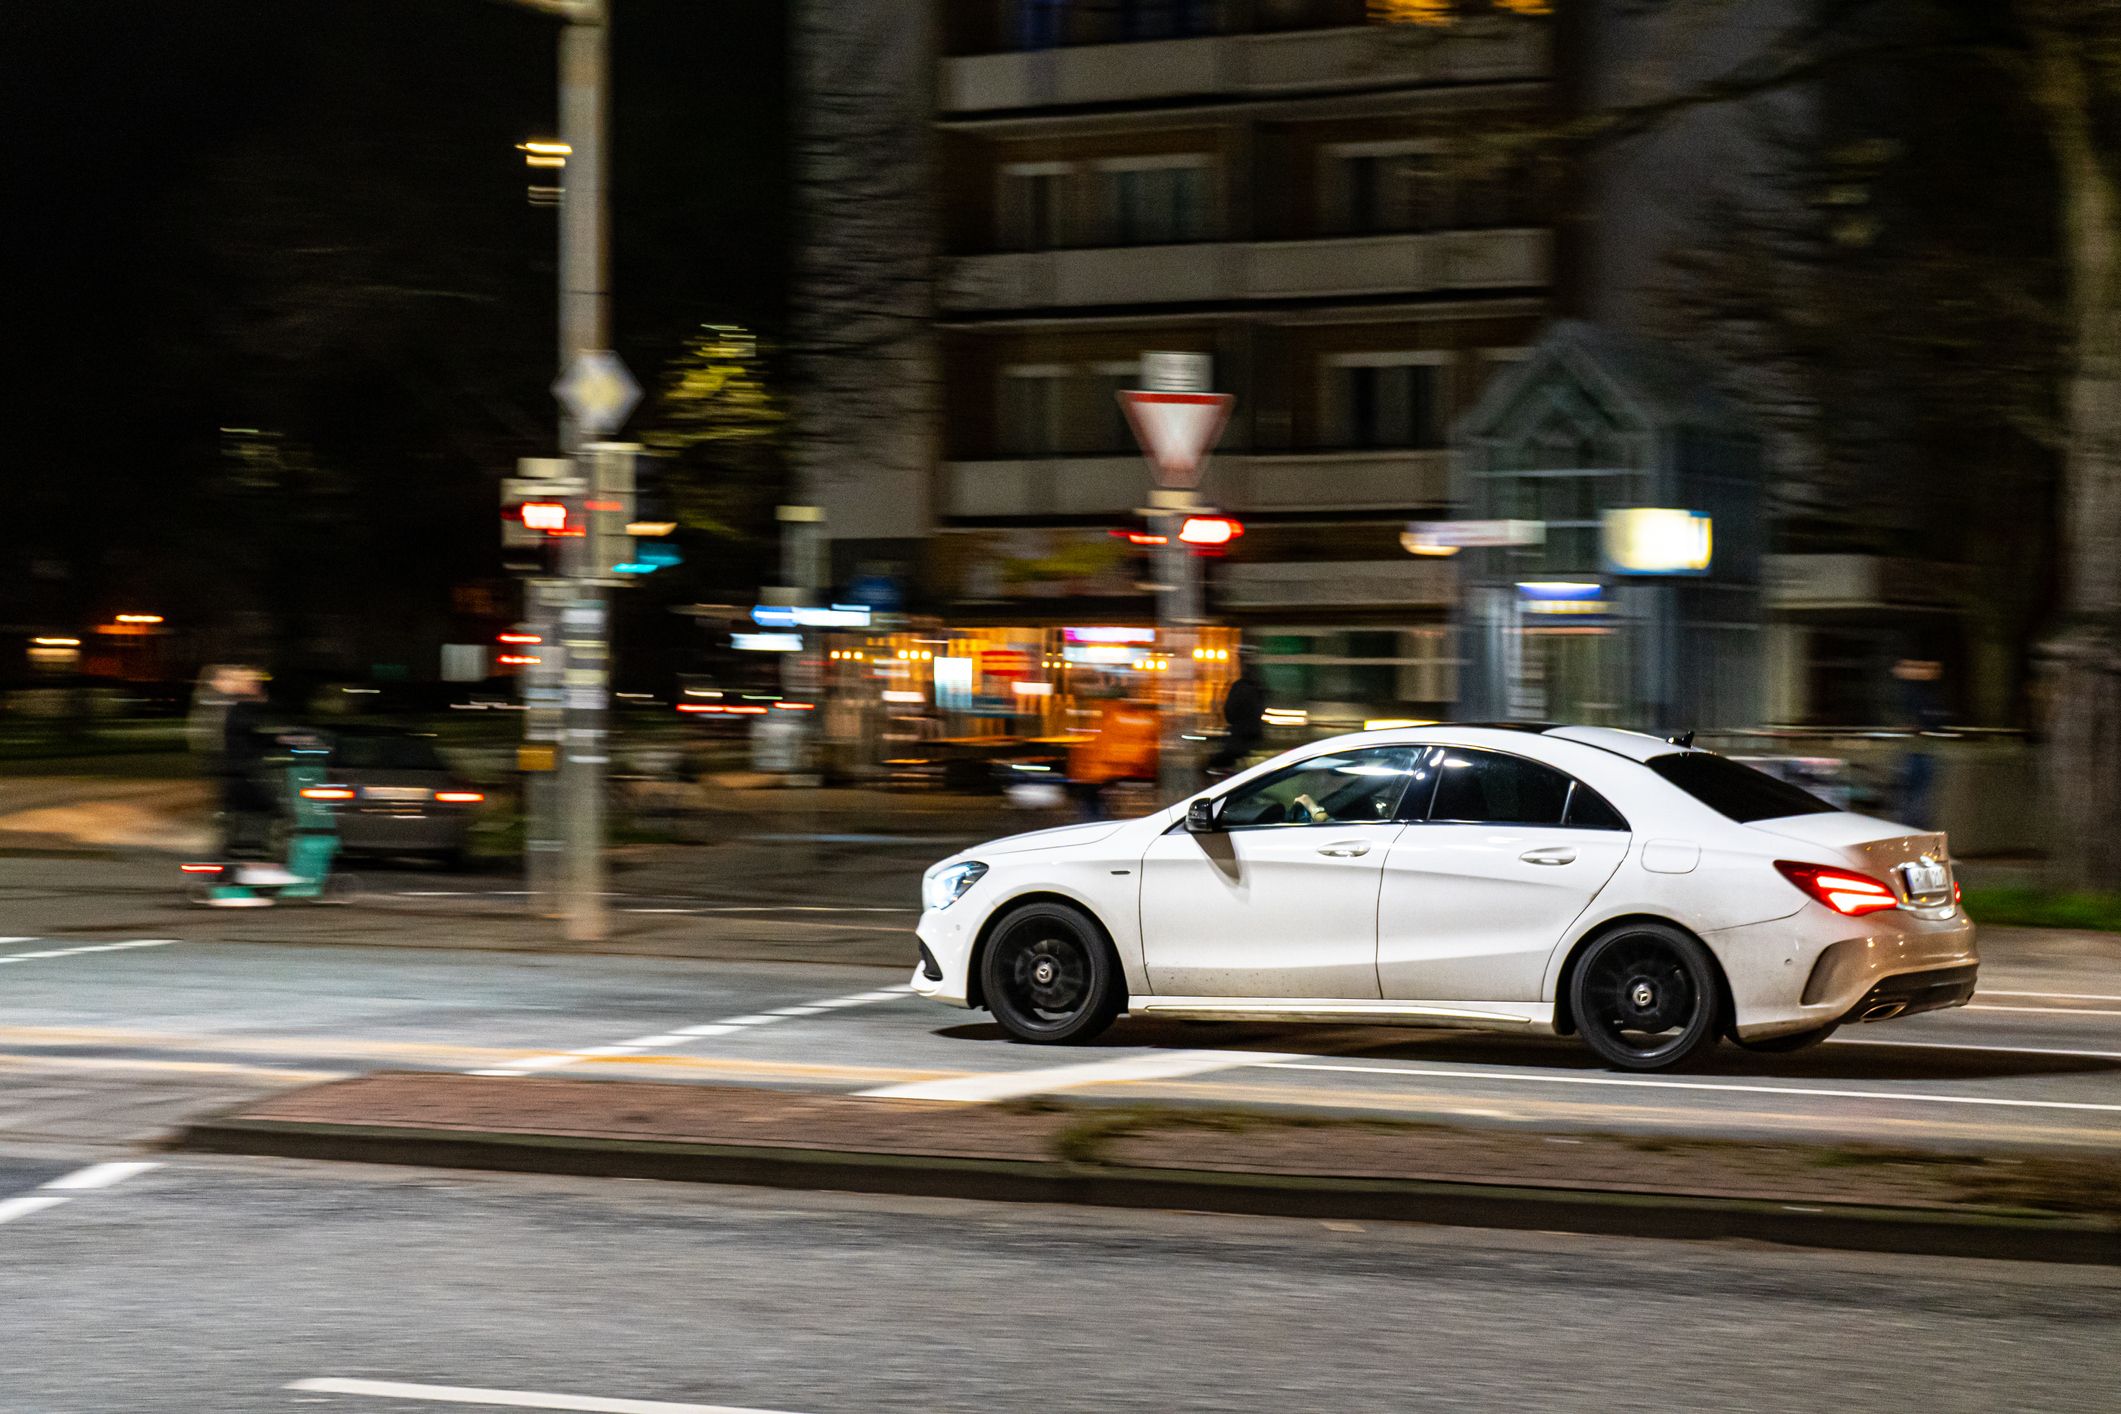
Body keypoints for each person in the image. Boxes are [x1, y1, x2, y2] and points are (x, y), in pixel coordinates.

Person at [1205, 648, 1265, 778]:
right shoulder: (1258, 687)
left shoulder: (1238, 687)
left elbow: (1229, 712)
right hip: (1254, 736)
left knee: (1213, 764)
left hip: (1239, 736)